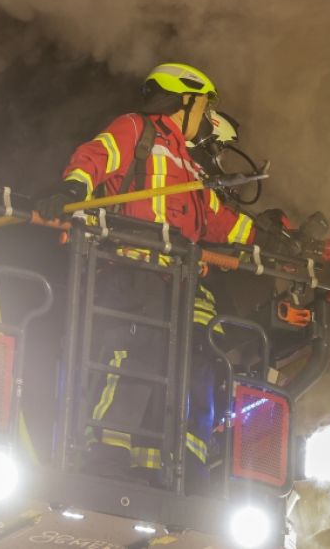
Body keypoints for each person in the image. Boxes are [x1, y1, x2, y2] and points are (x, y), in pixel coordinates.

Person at [36, 63, 267, 488]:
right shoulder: (136, 130)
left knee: (176, 368)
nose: (206, 114)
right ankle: (104, 451)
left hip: (174, 285)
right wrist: (73, 190)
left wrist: (269, 236)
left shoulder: (191, 168)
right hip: (131, 270)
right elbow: (95, 157)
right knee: (129, 357)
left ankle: (157, 463)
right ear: (186, 98)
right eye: (204, 104)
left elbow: (220, 222)